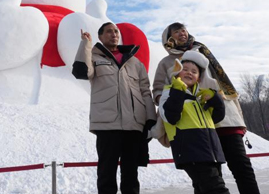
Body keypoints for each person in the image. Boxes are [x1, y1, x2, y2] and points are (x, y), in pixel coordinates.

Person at [153, 22, 260, 194]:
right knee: (205, 176)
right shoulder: (166, 62)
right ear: (168, 38)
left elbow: (225, 84)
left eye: (184, 30)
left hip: (224, 117)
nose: (182, 33)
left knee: (241, 165)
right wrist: (170, 99)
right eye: (176, 31)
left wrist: (239, 116)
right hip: (193, 123)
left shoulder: (204, 53)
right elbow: (158, 90)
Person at [72, 22, 156, 194]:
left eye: (116, 31)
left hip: (134, 126)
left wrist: (150, 120)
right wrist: (85, 44)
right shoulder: (94, 57)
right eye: (109, 31)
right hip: (107, 125)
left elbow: (145, 92)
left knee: (131, 175)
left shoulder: (135, 62)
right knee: (106, 173)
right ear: (101, 37)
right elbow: (81, 72)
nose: (114, 34)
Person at [159, 50, 229, 194]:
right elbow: (171, 117)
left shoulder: (201, 97)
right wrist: (177, 91)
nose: (189, 73)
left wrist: (215, 98)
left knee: (203, 189)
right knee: (217, 189)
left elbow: (217, 117)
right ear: (177, 72)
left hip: (211, 151)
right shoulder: (168, 93)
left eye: (194, 71)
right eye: (185, 69)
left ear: (198, 78)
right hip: (190, 150)